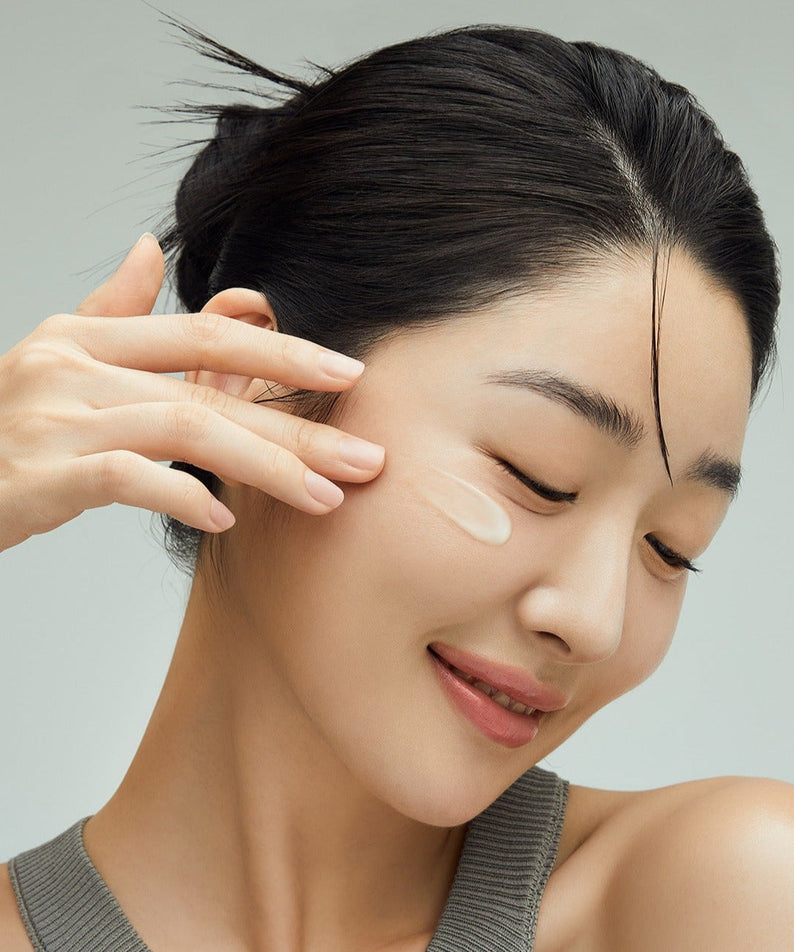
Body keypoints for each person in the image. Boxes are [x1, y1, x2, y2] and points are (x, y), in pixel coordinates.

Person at [1, 19, 792, 952]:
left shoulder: (723, 898)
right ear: (255, 378)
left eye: (671, 547)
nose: (595, 621)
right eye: (538, 477)